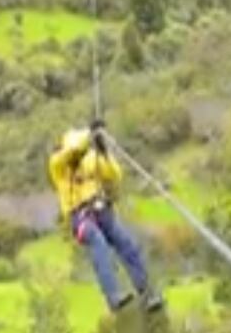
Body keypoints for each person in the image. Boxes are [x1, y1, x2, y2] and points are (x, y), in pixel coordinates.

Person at [47, 120, 163, 313]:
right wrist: (90, 133)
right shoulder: (58, 164)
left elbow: (114, 175)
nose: (78, 155)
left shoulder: (91, 159)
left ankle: (147, 293)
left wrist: (104, 151)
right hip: (81, 218)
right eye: (75, 151)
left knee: (127, 245)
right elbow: (74, 148)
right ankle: (113, 296)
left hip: (102, 210)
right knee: (98, 243)